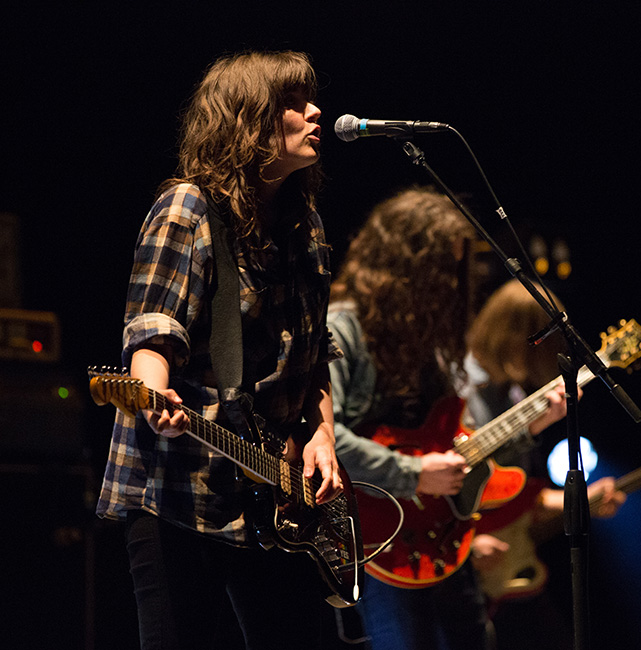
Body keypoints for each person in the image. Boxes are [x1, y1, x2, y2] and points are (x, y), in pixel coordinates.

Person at [96, 51, 344, 650]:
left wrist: (322, 435)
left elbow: (313, 361)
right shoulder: (188, 209)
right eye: (293, 102)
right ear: (250, 121)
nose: (316, 112)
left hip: (276, 498)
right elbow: (153, 330)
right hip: (179, 495)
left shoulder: (303, 224)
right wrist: (152, 395)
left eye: (311, 98)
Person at [326, 187, 569, 650]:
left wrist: (529, 428)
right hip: (379, 539)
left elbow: (462, 450)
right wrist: (413, 473)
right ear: (405, 263)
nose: (453, 283)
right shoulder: (343, 329)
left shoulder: (434, 341)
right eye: (442, 268)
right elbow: (328, 441)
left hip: (444, 539)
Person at [463, 279, 625, 650]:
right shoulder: (458, 388)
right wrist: (467, 545)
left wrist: (583, 498)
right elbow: (440, 481)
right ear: (518, 336)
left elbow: (516, 494)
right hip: (457, 558)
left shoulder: (516, 394)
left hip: (503, 562)